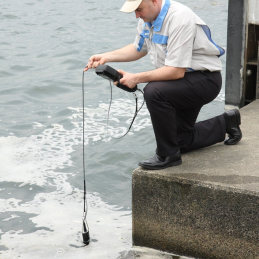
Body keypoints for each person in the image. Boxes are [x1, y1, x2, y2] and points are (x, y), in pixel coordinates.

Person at [84, 0, 242, 170]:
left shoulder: (179, 17)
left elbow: (175, 71)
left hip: (204, 80)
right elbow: (139, 49)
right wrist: (106, 57)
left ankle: (167, 155)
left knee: (154, 92)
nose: (137, 15)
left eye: (139, 9)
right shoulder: (147, 19)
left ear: (154, 1)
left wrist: (136, 78)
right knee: (181, 140)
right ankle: (227, 123)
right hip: (180, 82)